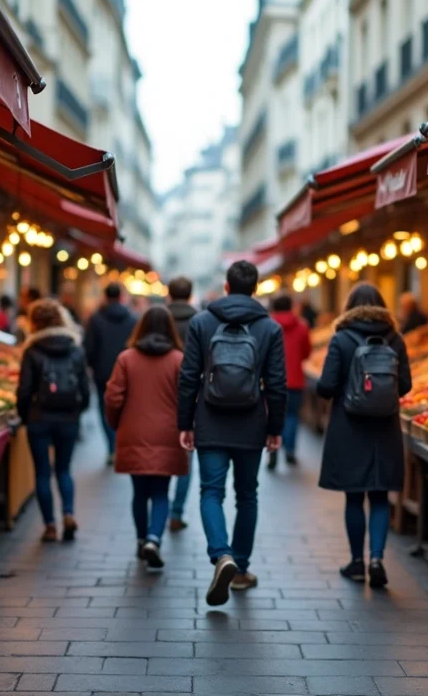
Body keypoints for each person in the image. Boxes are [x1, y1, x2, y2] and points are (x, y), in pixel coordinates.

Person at [177, 260, 286, 606]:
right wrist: (275, 428)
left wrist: (185, 422)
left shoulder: (202, 322)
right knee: (247, 495)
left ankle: (221, 554)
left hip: (210, 419)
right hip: (251, 422)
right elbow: (277, 384)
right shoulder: (269, 328)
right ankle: (239, 570)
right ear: (255, 289)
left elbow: (188, 376)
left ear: (225, 287)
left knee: (211, 492)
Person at [316, 284, 412, 589]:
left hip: (349, 428)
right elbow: (406, 385)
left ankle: (357, 563)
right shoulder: (395, 339)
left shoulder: (341, 338)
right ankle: (377, 559)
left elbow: (326, 385)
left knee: (354, 496)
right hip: (384, 428)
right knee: (380, 495)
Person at [104, 307, 188, 569]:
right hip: (168, 432)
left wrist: (117, 424)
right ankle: (154, 538)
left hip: (134, 431)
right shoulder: (178, 359)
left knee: (139, 492)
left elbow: (113, 397)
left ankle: (142, 540)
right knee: (162, 492)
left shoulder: (126, 358)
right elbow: (188, 397)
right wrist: (187, 427)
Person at [15, 299, 89, 542]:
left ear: (34, 322)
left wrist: (25, 416)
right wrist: (78, 412)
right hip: (68, 418)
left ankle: (49, 526)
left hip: (39, 418)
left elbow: (24, 390)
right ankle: (68, 513)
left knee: (42, 473)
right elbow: (85, 388)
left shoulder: (32, 350)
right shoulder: (75, 348)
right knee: (64, 470)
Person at [85, 283, 138, 464]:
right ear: (121, 296)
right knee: (125, 409)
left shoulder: (96, 319)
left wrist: (92, 366)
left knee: (104, 409)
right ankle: (120, 445)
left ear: (105, 296)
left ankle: (111, 446)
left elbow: (89, 348)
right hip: (127, 372)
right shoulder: (132, 319)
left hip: (103, 372)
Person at [165, 276, 199, 532]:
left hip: (160, 394)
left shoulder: (157, 319)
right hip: (191, 395)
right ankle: (176, 512)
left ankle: (161, 506)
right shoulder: (200, 321)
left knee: (160, 452)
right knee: (186, 456)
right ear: (189, 295)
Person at [269, 293, 311, 470]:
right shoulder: (302, 327)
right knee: (292, 416)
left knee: (272, 416)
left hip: (272, 379)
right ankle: (290, 451)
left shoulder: (267, 326)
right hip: (294, 379)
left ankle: (273, 451)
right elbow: (306, 353)